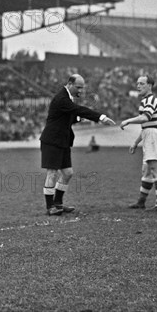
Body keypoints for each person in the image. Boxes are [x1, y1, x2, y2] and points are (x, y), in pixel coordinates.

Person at [40, 74, 116, 216]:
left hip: (62, 141)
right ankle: (50, 207)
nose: (81, 91)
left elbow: (72, 116)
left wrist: (81, 117)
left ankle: (58, 203)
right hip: (52, 141)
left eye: (82, 88)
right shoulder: (61, 98)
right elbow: (78, 110)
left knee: (68, 173)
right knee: (52, 173)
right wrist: (100, 117)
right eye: (78, 87)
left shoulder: (67, 98)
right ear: (69, 84)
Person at [120, 75, 157, 211]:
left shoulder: (151, 100)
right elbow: (146, 126)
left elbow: (144, 118)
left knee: (156, 170)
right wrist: (135, 142)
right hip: (149, 135)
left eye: (141, 83)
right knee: (146, 171)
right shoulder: (146, 100)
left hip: (153, 137)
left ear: (150, 86)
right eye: (137, 83)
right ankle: (141, 202)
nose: (138, 86)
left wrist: (128, 120)